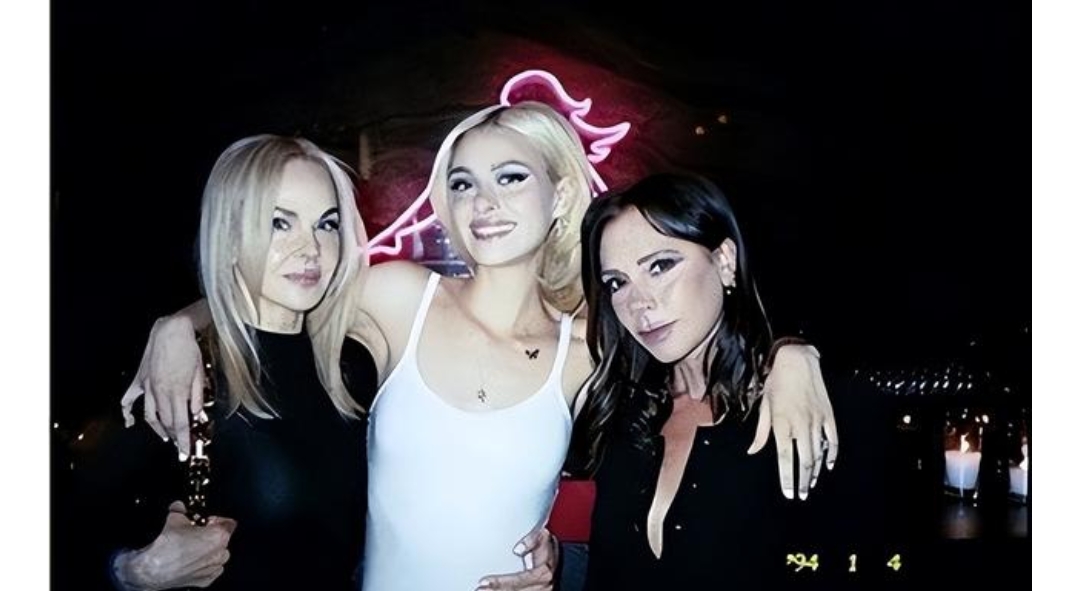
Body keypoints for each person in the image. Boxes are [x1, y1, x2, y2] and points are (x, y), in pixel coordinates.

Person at [121, 103, 835, 591]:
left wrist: (791, 353)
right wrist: (178, 325)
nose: (483, 203)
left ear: (561, 196)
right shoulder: (396, 296)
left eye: (511, 178)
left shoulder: (590, 344)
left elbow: (695, 349)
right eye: (463, 183)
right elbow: (273, 292)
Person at [105, 134, 381, 590]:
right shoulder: (187, 376)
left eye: (327, 224)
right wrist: (131, 572)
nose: (311, 248)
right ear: (229, 236)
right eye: (279, 222)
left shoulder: (354, 366)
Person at [576, 173, 833, 589]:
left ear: (725, 261)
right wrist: (556, 560)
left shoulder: (804, 406)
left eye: (660, 266)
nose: (639, 302)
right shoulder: (619, 418)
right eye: (617, 283)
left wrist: (795, 350)